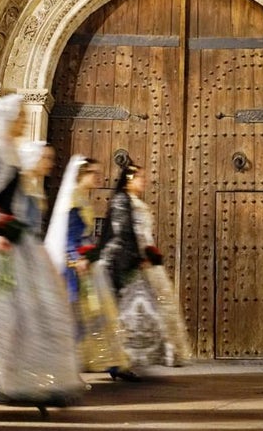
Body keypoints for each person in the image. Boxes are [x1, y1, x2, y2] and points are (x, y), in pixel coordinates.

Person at [0, 94, 85, 411]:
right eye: (20, 116)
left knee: (24, 314)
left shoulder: (11, 155)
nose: (24, 121)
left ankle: (24, 377)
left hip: (13, 244)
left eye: (25, 115)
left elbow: (13, 203)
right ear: (6, 118)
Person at [99, 158, 192, 374]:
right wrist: (135, 258)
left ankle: (129, 360)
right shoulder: (122, 201)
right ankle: (119, 361)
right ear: (128, 179)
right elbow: (122, 234)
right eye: (140, 177)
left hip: (142, 263)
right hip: (128, 263)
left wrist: (150, 253)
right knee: (130, 312)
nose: (144, 181)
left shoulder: (135, 202)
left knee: (147, 311)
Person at [44, 154, 127, 373]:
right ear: (82, 174)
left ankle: (107, 362)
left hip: (85, 263)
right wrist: (77, 257)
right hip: (74, 266)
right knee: (80, 313)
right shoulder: (73, 199)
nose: (99, 177)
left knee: (94, 313)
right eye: (94, 173)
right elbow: (68, 235)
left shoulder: (81, 197)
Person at [17, 140, 53, 239]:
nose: (50, 163)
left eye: (51, 159)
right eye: (45, 158)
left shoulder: (37, 187)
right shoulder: (18, 183)